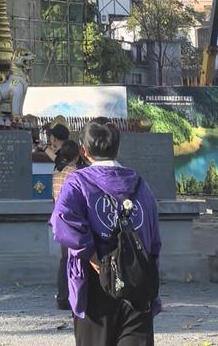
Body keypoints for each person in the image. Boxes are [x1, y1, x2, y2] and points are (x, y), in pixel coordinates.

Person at [51, 117, 162, 346]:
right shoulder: (140, 184)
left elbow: (63, 221)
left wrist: (95, 259)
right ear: (117, 148)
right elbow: (153, 238)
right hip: (137, 281)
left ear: (84, 150)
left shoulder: (77, 183)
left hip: (94, 286)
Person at [50, 123, 87, 311]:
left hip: (59, 218)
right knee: (76, 257)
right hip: (72, 219)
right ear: (77, 156)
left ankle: (63, 297)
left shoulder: (57, 171)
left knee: (64, 258)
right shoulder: (74, 173)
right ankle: (72, 296)